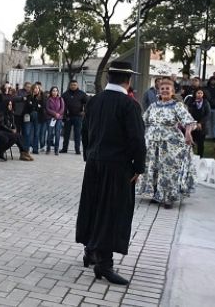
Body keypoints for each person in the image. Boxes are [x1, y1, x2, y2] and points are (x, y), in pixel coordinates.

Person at [76, 61, 146, 286]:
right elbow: (136, 139)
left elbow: (84, 131)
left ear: (108, 78)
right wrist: (138, 167)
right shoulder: (130, 105)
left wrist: (89, 155)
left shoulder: (94, 101)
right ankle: (104, 264)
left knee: (94, 207)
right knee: (112, 211)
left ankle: (90, 251)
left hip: (95, 162)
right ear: (128, 80)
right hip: (117, 166)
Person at [137, 80, 197, 208]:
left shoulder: (177, 106)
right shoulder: (153, 106)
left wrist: (188, 133)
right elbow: (143, 121)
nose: (164, 90)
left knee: (168, 170)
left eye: (167, 88)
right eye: (162, 88)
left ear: (172, 91)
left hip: (170, 144)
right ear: (158, 90)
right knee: (153, 168)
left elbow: (190, 122)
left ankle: (168, 197)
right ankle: (156, 194)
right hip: (152, 142)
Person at [61, 80, 88, 154]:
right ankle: (64, 148)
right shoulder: (65, 94)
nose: (73, 86)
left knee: (77, 134)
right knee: (66, 134)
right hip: (68, 117)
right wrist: (63, 115)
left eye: (75, 85)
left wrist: (84, 111)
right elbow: (61, 105)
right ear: (69, 85)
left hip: (78, 116)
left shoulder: (82, 94)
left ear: (77, 85)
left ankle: (77, 149)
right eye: (72, 85)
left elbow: (88, 103)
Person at [185, 88, 210, 157]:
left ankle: (200, 156)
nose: (199, 94)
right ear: (195, 94)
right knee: (190, 141)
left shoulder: (206, 102)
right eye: (198, 93)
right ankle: (189, 156)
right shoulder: (191, 101)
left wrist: (200, 123)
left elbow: (207, 114)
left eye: (201, 93)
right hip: (191, 125)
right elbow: (187, 112)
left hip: (202, 126)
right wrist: (193, 123)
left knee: (201, 143)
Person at [23, 84, 45, 155]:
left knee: (36, 133)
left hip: (38, 118)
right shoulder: (28, 97)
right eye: (34, 88)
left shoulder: (42, 98)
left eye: (37, 88)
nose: (36, 89)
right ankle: (26, 148)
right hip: (28, 117)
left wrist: (33, 105)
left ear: (39, 89)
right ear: (32, 89)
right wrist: (36, 106)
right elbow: (27, 107)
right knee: (27, 133)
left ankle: (35, 149)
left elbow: (42, 108)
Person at [44, 86, 65, 155]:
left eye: (56, 91)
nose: (55, 92)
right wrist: (54, 114)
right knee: (50, 133)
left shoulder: (60, 99)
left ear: (58, 92)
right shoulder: (48, 99)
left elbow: (62, 108)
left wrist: (58, 114)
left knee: (57, 134)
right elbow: (47, 108)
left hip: (59, 119)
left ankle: (56, 150)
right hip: (50, 118)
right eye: (53, 91)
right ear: (51, 92)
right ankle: (48, 149)